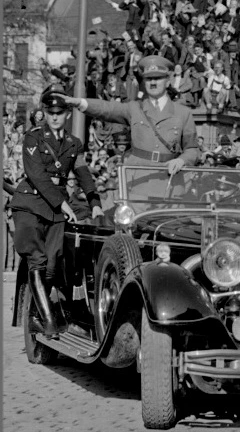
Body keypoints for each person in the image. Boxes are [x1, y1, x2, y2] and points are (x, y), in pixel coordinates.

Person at [9, 93, 103, 339]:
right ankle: (48, 321)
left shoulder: (74, 143)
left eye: (59, 113)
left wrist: (94, 201)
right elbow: (37, 175)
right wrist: (63, 204)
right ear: (45, 114)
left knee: (52, 264)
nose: (54, 117)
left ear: (67, 115)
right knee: (38, 260)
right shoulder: (34, 137)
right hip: (30, 203)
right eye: (50, 113)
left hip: (55, 209)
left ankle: (34, 316)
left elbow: (82, 172)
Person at [57, 55, 199, 174]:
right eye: (149, 79)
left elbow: (192, 149)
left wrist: (182, 160)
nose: (153, 83)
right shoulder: (135, 108)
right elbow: (108, 108)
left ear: (168, 81)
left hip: (171, 180)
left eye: (158, 78)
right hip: (138, 180)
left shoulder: (183, 113)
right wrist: (80, 102)